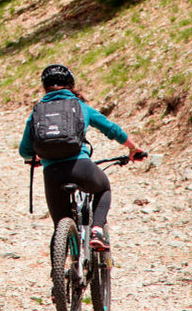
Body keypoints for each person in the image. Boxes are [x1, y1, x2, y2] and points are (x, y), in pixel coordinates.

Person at [19, 63, 145, 250]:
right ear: (71, 84)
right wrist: (133, 148)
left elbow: (24, 150)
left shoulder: (38, 110)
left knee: (58, 226)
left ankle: (61, 272)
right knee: (103, 188)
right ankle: (96, 230)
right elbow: (111, 129)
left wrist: (35, 158)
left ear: (45, 87)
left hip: (52, 173)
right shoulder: (79, 105)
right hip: (81, 167)